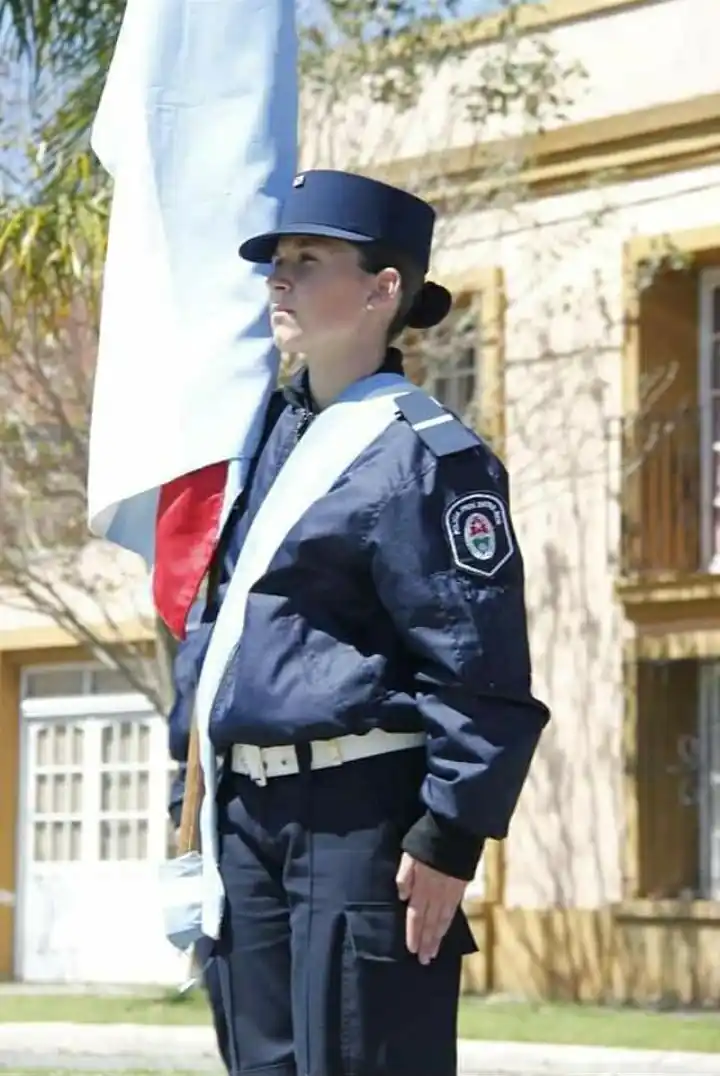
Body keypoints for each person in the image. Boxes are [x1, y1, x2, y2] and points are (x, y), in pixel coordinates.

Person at [167, 168, 549, 1076]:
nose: (280, 279)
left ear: (384, 290)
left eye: (307, 259)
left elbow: (478, 661)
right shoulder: (263, 441)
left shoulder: (424, 457)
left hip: (358, 824)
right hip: (247, 818)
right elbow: (216, 633)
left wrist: (452, 832)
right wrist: (185, 799)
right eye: (277, 261)